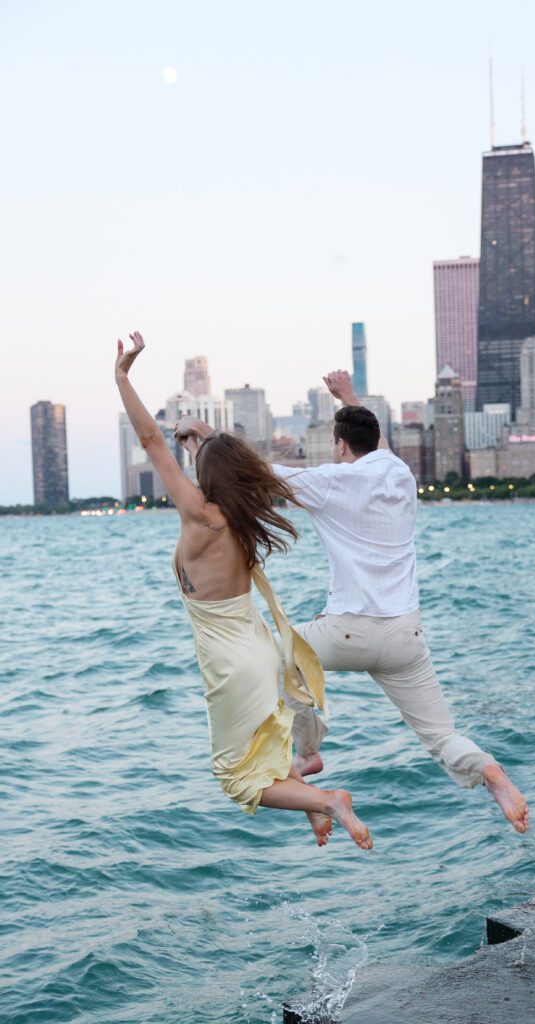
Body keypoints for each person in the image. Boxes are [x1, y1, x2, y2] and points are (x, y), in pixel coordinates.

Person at [177, 371, 529, 835]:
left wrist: (201, 439)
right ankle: (488, 772)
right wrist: (347, 398)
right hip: (406, 636)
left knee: (277, 658)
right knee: (440, 735)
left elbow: (248, 474)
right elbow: (374, 441)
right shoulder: (399, 473)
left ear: (340, 447)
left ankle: (307, 755)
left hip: (347, 631)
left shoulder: (329, 482)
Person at [115, 334, 372, 850]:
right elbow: (208, 464)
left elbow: (149, 444)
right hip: (258, 649)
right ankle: (311, 803)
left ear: (203, 477)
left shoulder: (200, 517)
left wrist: (122, 377)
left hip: (232, 662)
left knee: (235, 777)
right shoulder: (239, 517)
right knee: (261, 752)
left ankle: (328, 801)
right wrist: (197, 439)